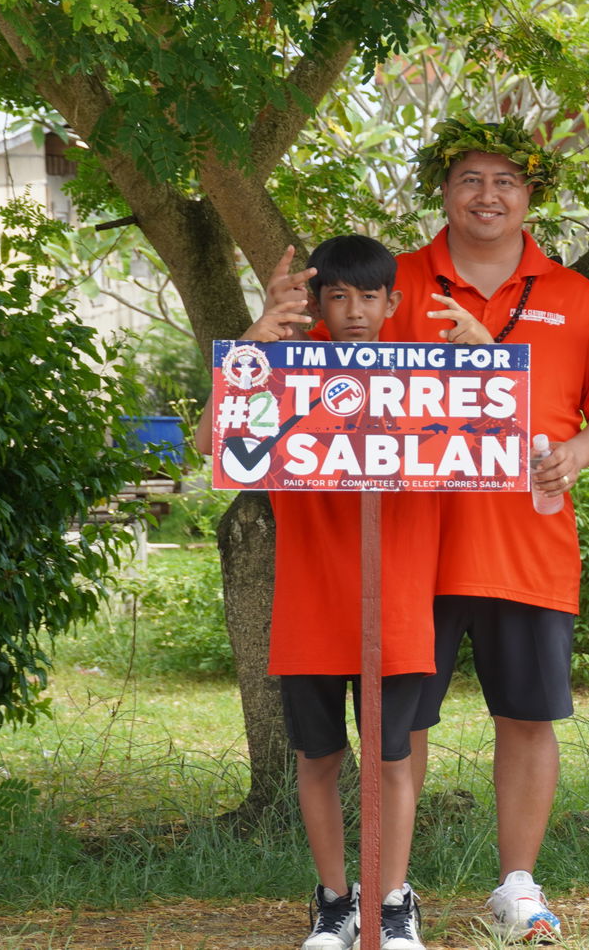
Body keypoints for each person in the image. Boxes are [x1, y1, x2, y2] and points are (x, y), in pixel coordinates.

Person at [266, 118, 589, 941]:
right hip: (403, 553)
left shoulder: (575, 295)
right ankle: (392, 893)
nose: (487, 195)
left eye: (506, 180)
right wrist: (268, 322)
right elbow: (304, 384)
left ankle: (517, 886)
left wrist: (577, 452)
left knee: (526, 715)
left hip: (522, 546)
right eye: (469, 179)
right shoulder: (390, 283)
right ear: (444, 190)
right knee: (401, 730)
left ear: (531, 195)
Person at [196, 235, 437, 950]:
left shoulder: (433, 378)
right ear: (318, 304)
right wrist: (255, 339)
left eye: (369, 297)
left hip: (397, 605)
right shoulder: (284, 376)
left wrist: (487, 353)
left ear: (393, 303)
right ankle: (334, 901)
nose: (354, 310)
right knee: (319, 759)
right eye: (338, 296)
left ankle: (392, 900)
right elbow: (212, 440)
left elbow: (507, 442)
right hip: (310, 607)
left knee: (394, 760)